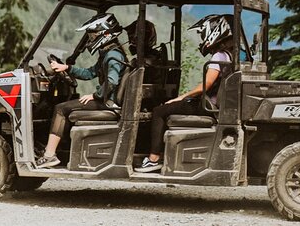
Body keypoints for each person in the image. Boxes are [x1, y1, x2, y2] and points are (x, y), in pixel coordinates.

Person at [134, 14, 234, 173]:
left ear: (214, 33)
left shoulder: (218, 56)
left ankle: (153, 159)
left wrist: (183, 97)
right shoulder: (229, 54)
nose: (202, 39)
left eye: (203, 34)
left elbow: (205, 85)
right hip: (213, 103)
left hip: (208, 104)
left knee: (159, 111)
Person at [36, 13, 127, 168]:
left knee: (60, 109)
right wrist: (67, 68)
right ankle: (61, 149)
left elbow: (112, 81)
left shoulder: (112, 56)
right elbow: (90, 73)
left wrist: (94, 95)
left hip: (108, 103)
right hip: (106, 99)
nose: (90, 40)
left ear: (104, 34)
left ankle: (49, 155)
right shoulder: (108, 53)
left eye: (92, 36)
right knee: (67, 106)